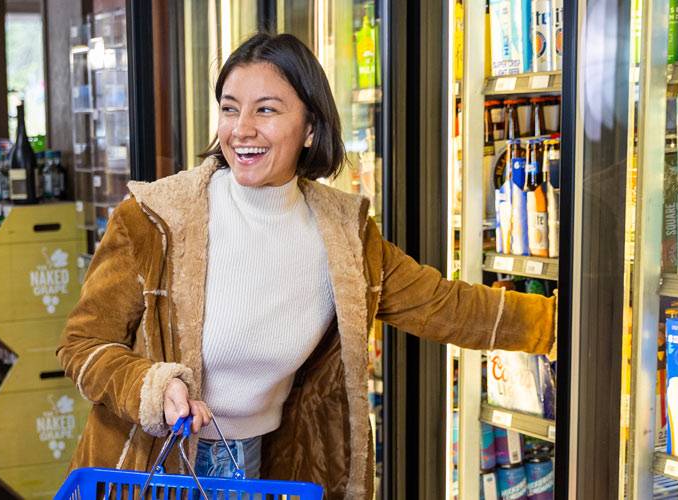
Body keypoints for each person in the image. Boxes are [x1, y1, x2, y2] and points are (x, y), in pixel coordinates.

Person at [57, 32, 555, 498]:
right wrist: (152, 386)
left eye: (266, 110)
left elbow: (441, 303)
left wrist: (558, 325)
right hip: (143, 470)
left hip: (259, 463)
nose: (242, 130)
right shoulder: (154, 219)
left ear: (311, 128)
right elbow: (82, 345)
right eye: (229, 110)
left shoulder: (343, 234)